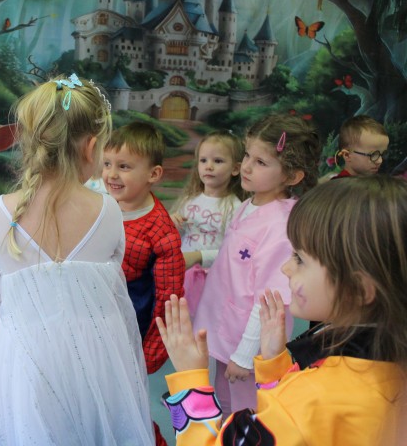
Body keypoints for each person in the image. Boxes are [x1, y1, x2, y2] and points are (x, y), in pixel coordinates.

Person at [0, 75, 155, 445]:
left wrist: (33, 331)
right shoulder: (108, 211)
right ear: (93, 146)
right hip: (97, 360)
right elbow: (110, 287)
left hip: (24, 361)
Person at [156, 176, 407, 445]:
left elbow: (295, 415)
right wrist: (275, 367)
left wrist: (190, 380)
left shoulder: (310, 397)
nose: (286, 268)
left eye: (300, 259)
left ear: (358, 289)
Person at [191, 114, 321, 416]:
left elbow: (270, 299)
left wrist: (245, 355)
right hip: (228, 330)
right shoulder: (250, 204)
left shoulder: (281, 226)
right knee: (224, 401)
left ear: (292, 177)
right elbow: (236, 257)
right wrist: (200, 257)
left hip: (248, 343)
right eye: (247, 155)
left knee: (246, 411)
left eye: (261, 162)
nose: (246, 166)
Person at [102, 121, 185, 371]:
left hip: (131, 322)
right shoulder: (100, 207)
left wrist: (151, 353)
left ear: (153, 174)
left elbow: (168, 295)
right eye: (107, 164)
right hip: (95, 314)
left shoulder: (161, 230)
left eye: (124, 166)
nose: (111, 174)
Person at [170, 130, 245, 317]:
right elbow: (175, 238)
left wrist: (199, 256)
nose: (208, 167)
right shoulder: (189, 200)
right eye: (203, 160)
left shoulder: (235, 207)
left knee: (203, 321)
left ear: (235, 169)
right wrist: (171, 224)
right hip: (182, 275)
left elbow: (231, 252)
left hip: (212, 280)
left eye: (217, 161)